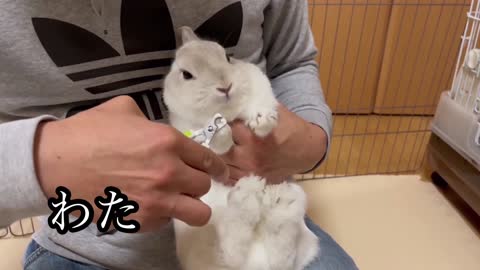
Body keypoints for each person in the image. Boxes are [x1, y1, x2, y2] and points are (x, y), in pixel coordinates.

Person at [0, 0, 358, 269]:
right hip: (85, 247)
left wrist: (311, 140)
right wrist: (38, 161)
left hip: (257, 223)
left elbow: (292, 62)